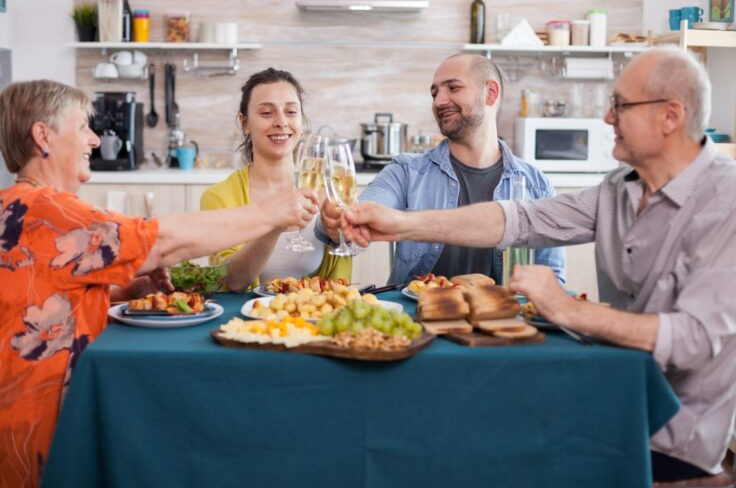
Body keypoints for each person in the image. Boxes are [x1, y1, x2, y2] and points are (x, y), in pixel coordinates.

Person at [340, 47, 736, 483]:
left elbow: (694, 338)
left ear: (670, 116)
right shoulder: (618, 189)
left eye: (620, 105)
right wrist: (403, 223)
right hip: (607, 399)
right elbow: (522, 218)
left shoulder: (732, 201)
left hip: (667, 439)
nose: (606, 118)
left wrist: (567, 308)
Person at [0, 80, 319, 486]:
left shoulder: (15, 203)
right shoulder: (46, 207)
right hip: (35, 428)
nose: (95, 139)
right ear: (43, 136)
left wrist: (120, 293)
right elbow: (163, 242)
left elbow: (36, 293)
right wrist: (272, 213)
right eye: (83, 127)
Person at [318, 53, 565, 285]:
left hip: (502, 322)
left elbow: (552, 280)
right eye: (434, 93)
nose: (439, 101)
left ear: (490, 93)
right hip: (415, 321)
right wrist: (336, 223)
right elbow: (359, 215)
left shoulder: (536, 185)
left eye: (453, 88)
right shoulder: (406, 172)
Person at [200, 68, 351, 291]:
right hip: (246, 323)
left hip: (319, 319)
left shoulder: (331, 190)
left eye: (291, 112)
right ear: (245, 123)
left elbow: (348, 261)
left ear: (302, 121)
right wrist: (274, 225)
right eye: (266, 113)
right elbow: (230, 281)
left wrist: (342, 236)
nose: (281, 122)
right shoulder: (218, 198)